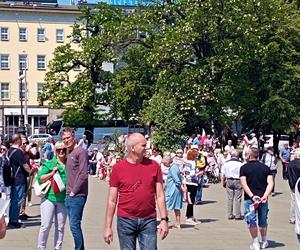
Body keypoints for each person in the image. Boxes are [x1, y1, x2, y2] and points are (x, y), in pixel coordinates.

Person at [103, 133, 168, 249]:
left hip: (149, 219)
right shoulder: (118, 169)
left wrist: (164, 219)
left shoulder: (154, 166)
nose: (147, 148)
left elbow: (160, 195)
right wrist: (108, 227)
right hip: (125, 220)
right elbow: (112, 200)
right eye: (143, 145)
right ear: (132, 148)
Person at [240, 147, 273, 250]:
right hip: (263, 199)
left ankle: (255, 242)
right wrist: (265, 195)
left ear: (249, 155)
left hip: (250, 199)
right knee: (263, 220)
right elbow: (270, 183)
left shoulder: (244, 168)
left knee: (251, 220)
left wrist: (252, 196)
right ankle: (263, 240)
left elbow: (243, 184)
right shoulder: (265, 168)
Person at [61, 128, 89, 250]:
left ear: (73, 137)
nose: (66, 140)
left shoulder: (81, 152)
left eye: (68, 137)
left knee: (74, 225)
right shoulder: (70, 153)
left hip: (77, 195)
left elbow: (83, 174)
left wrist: (74, 191)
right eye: (63, 139)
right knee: (73, 225)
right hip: (69, 194)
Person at [37, 142, 67, 250]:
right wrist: (51, 173)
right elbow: (39, 178)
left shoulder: (70, 164)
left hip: (63, 199)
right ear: (55, 151)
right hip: (49, 198)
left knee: (60, 227)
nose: (61, 152)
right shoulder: (50, 163)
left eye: (63, 149)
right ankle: (41, 247)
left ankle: (57, 248)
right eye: (59, 150)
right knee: (45, 226)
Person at [8, 134, 31, 228]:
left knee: (13, 199)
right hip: (19, 178)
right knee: (18, 199)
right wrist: (30, 171)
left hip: (12, 178)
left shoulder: (9, 151)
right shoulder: (18, 152)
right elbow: (25, 165)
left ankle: (11, 218)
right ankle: (14, 220)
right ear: (18, 140)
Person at [221, 150, 243, 220]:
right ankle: (237, 215)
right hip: (238, 181)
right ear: (238, 156)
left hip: (229, 180)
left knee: (230, 198)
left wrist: (223, 182)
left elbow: (223, 174)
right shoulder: (241, 164)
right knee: (238, 198)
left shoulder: (226, 163)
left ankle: (230, 214)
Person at [165, 156, 186, 229]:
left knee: (166, 207)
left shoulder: (173, 168)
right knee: (176, 207)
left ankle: (166, 223)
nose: (164, 165)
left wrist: (181, 187)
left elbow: (176, 180)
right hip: (175, 189)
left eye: (164, 163)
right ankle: (177, 223)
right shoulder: (175, 167)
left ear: (168, 162)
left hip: (173, 190)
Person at [287, 150, 300, 225]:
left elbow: (287, 174)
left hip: (292, 185)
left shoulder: (290, 164)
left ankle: (292, 218)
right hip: (298, 185)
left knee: (293, 201)